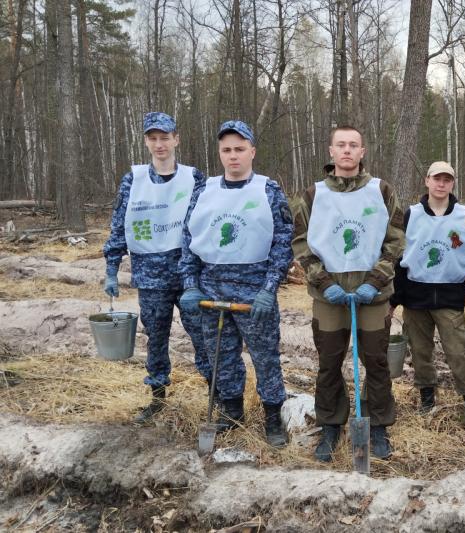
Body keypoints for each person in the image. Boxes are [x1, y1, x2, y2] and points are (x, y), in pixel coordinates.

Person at [291, 125, 404, 462]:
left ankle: (378, 424)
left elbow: (395, 239)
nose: (347, 151)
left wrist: (376, 280)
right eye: (341, 145)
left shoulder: (381, 191)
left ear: (362, 152)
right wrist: (325, 283)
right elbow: (301, 244)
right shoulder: (312, 195)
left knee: (377, 361)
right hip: (330, 298)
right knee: (328, 363)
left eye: (353, 145)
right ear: (331, 151)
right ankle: (330, 424)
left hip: (374, 296)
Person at [178, 120, 294, 447]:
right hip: (210, 292)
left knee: (265, 357)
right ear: (220, 153)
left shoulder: (268, 190)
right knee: (222, 357)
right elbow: (189, 240)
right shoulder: (203, 191)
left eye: (240, 149)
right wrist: (190, 284)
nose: (233, 156)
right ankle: (232, 413)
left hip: (254, 293)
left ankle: (273, 416)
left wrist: (269, 289)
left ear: (252, 152)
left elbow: (283, 242)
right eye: (227, 150)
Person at [103, 112, 208, 423]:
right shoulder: (132, 180)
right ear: (147, 142)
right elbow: (120, 224)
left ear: (176, 139)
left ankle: (217, 397)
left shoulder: (194, 178)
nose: (160, 144)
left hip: (189, 275)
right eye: (153, 138)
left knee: (202, 336)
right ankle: (158, 398)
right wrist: (111, 267)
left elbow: (205, 224)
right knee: (156, 338)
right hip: (150, 276)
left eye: (165, 138)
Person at [390, 161, 465, 438]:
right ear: (427, 181)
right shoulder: (412, 214)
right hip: (415, 296)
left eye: (447, 179)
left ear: (452, 184)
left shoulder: (464, 216)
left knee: (459, 353)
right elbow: (399, 258)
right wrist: (394, 299)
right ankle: (427, 400)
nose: (441, 184)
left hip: (450, 296)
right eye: (437, 178)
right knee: (420, 354)